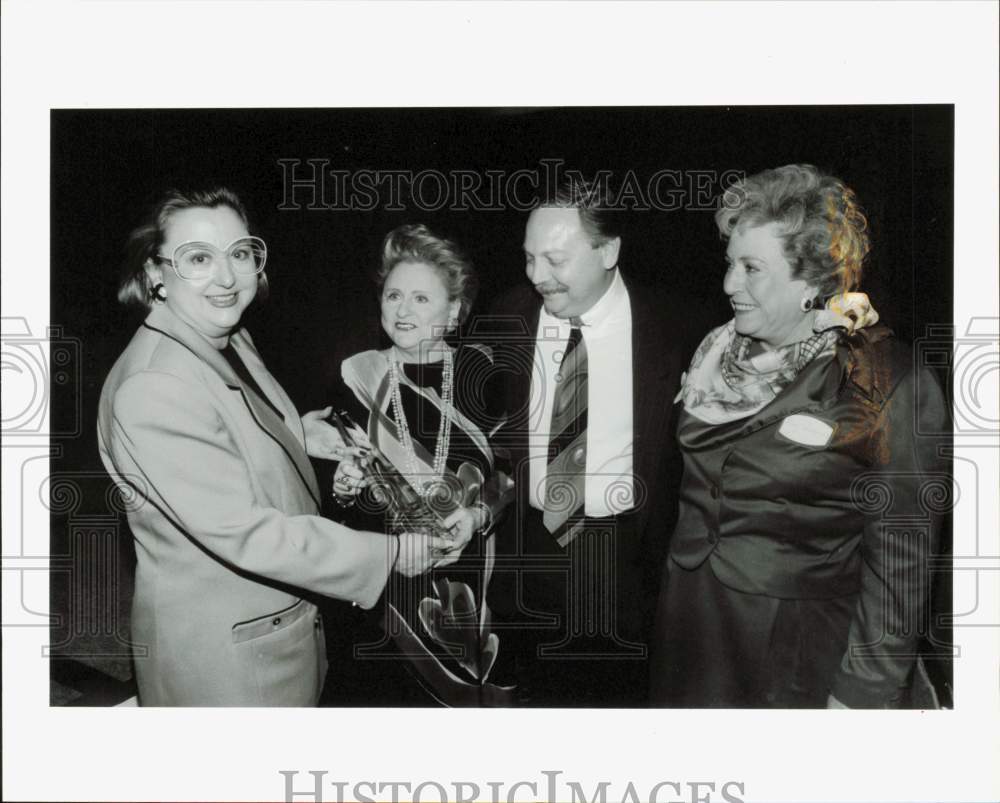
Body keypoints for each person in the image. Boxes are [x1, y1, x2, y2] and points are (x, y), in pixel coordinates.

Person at [97, 188, 444, 707]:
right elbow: (249, 534)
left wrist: (299, 434)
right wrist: (388, 554)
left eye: (239, 253)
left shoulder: (226, 338)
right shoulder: (154, 387)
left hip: (274, 634)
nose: (227, 277)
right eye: (198, 258)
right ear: (154, 274)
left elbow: (224, 432)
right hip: (227, 667)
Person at [650, 164, 949, 708]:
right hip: (691, 626)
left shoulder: (885, 381)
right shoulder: (714, 353)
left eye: (751, 268)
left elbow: (901, 564)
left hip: (793, 651)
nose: (728, 284)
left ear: (812, 281)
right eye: (729, 263)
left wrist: (861, 694)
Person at [484, 175, 697, 707]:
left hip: (626, 566)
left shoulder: (677, 328)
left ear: (608, 250)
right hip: (528, 560)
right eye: (529, 258)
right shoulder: (506, 318)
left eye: (555, 260)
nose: (538, 276)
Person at [327, 223, 514, 706]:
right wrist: (345, 487)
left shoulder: (485, 373)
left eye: (421, 299)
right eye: (393, 296)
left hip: (476, 577)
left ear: (453, 311)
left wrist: (478, 516)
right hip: (388, 583)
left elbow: (513, 473)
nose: (402, 310)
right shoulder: (356, 377)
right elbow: (339, 497)